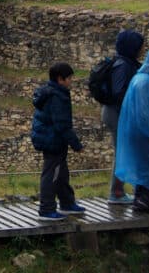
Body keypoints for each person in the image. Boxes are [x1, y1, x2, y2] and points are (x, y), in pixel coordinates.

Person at [114, 48, 149, 213]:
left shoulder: (141, 80)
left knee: (144, 164)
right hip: (144, 134)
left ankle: (142, 198)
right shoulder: (145, 83)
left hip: (138, 132)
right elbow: (144, 112)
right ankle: (147, 197)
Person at [31, 63, 86, 221]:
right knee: (52, 174)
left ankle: (67, 202)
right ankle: (46, 209)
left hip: (50, 138)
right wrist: (76, 144)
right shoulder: (57, 97)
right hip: (52, 140)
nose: (71, 82)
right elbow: (62, 124)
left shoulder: (51, 93)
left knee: (61, 172)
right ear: (60, 79)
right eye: (69, 78)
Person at [102, 29, 145, 204]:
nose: (142, 50)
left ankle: (122, 191)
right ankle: (116, 193)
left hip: (119, 113)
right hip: (116, 114)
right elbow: (119, 92)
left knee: (125, 152)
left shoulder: (128, 63)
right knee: (122, 153)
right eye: (140, 47)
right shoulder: (123, 66)